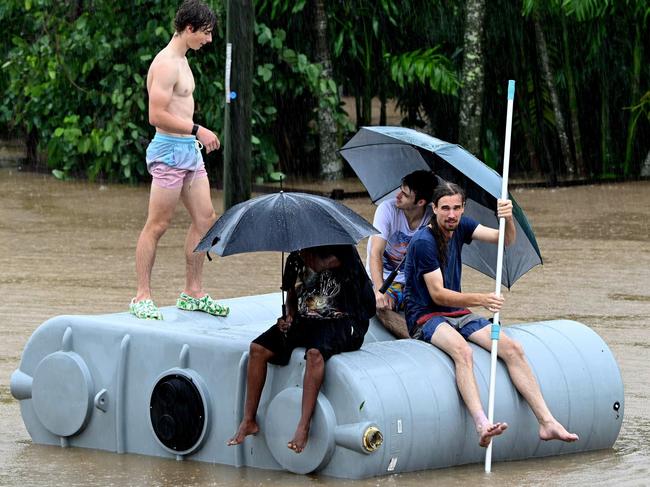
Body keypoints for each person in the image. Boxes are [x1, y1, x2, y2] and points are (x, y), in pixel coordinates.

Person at [404, 181, 579, 448]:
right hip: (426, 316)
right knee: (463, 351)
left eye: (456, 208)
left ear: (463, 209)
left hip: (458, 312)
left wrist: (508, 219)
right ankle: (481, 423)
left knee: (512, 347)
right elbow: (437, 294)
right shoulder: (423, 242)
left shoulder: (461, 226)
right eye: (445, 209)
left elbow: (505, 240)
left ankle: (547, 422)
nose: (451, 215)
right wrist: (481, 299)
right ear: (434, 209)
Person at [130, 0, 228, 320]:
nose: (209, 40)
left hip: (188, 151)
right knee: (158, 224)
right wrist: (198, 129)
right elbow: (156, 115)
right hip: (169, 151)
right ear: (189, 29)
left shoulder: (184, 60)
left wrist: (193, 136)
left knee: (206, 217)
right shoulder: (166, 64)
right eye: (206, 33)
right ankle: (142, 296)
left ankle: (193, 291)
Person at [228, 245, 375, 453]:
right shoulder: (295, 259)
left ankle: (303, 426)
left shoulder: (343, 252)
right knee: (257, 349)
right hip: (307, 319)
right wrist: (288, 316)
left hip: (343, 320)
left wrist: (307, 255)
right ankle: (248, 420)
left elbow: (322, 264)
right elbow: (291, 298)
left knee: (315, 354)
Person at [367, 170, 436, 338]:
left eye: (405, 195)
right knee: (380, 306)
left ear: (421, 202)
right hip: (385, 279)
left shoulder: (432, 219)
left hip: (414, 281)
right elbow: (376, 253)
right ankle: (416, 339)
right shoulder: (387, 209)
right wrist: (379, 290)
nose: (398, 196)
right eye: (400, 189)